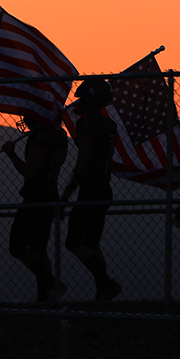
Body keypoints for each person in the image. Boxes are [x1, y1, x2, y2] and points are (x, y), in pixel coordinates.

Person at [62, 78, 121, 301]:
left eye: (84, 98)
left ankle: (105, 282)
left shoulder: (87, 125)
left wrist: (67, 193)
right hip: (103, 187)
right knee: (91, 242)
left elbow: (83, 162)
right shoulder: (109, 125)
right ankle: (103, 289)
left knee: (74, 241)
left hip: (90, 189)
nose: (80, 103)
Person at [2, 113, 68, 302]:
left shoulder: (41, 136)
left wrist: (11, 153)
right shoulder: (59, 134)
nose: (25, 118)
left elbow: (30, 169)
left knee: (17, 245)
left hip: (38, 197)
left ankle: (50, 282)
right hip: (47, 192)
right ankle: (45, 295)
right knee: (39, 248)